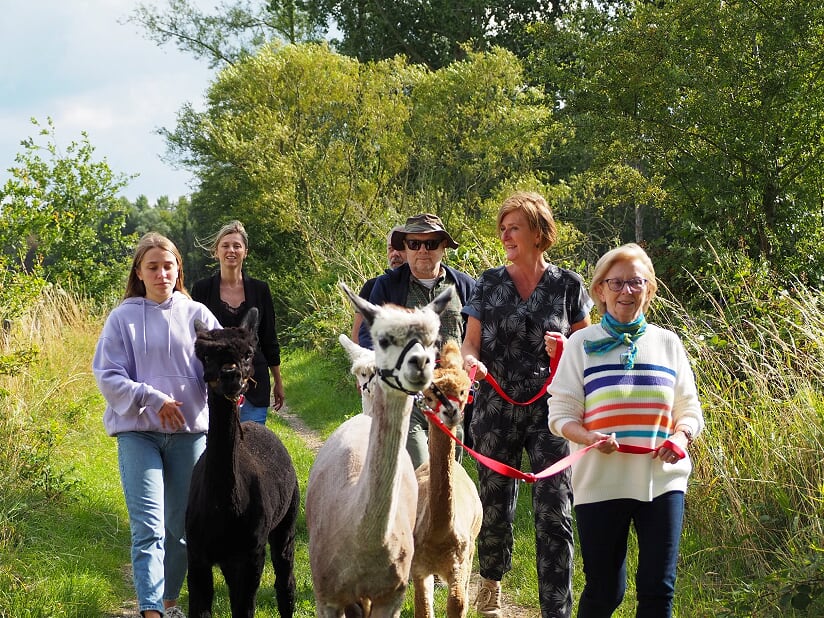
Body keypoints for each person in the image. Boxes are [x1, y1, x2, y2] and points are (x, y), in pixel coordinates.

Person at [548, 243, 703, 618]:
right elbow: (560, 414)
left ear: (649, 289)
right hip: (600, 481)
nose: (626, 291)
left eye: (636, 282)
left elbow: (689, 409)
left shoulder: (668, 343)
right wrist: (587, 438)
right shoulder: (581, 344)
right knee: (605, 591)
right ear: (600, 290)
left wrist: (680, 437)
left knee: (658, 590)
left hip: (662, 481)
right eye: (616, 283)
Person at [461, 191, 593, 618]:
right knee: (494, 506)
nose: (504, 235)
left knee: (555, 510)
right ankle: (491, 585)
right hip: (494, 408)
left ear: (538, 232)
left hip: (552, 413)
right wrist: (470, 363)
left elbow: (589, 347)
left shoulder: (568, 285)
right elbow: (470, 344)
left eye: (513, 227)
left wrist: (565, 349)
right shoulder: (487, 282)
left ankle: (556, 609)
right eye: (502, 228)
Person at [92, 232, 221, 618]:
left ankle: (169, 603)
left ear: (178, 269)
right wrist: (152, 397)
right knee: (148, 528)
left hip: (188, 434)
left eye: (168, 266)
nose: (162, 273)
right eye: (153, 267)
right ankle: (150, 610)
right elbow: (107, 375)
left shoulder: (197, 315)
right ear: (139, 272)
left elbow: (221, 361)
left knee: (181, 530)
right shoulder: (122, 318)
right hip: (138, 433)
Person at [360, 213, 475, 469]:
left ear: (443, 247)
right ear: (406, 247)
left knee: (448, 471)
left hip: (450, 394)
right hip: (407, 394)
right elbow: (369, 333)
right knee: (419, 468)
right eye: (414, 244)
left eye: (431, 243)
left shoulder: (466, 286)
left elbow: (478, 335)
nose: (423, 250)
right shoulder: (387, 286)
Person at [191, 220, 285, 424]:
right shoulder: (201, 289)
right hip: (215, 385)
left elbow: (269, 338)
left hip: (254, 384)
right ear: (216, 251)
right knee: (219, 441)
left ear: (245, 252)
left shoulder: (260, 289)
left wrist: (278, 381)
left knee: (251, 440)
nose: (231, 250)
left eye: (237, 246)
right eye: (225, 245)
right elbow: (194, 340)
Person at [350, 225, 407, 344]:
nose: (395, 254)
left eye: (400, 248)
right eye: (390, 249)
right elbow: (357, 337)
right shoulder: (371, 286)